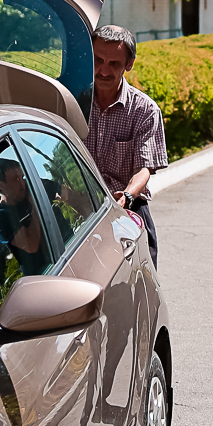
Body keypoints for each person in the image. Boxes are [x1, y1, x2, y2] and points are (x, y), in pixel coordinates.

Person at [85, 24, 168, 267]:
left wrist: (127, 197)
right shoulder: (73, 101)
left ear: (129, 64)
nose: (103, 70)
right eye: (98, 60)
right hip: (79, 208)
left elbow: (144, 169)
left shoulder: (145, 110)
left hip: (127, 209)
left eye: (114, 63)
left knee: (141, 281)